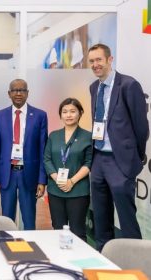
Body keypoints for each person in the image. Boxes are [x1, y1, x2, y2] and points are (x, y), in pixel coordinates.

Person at [87, 43, 149, 251]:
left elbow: (141, 127)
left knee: (127, 219)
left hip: (120, 162)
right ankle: (103, 258)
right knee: (101, 218)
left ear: (110, 60)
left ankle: (137, 260)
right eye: (92, 61)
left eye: (99, 60)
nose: (95, 65)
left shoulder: (128, 85)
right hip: (99, 161)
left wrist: (134, 159)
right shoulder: (94, 87)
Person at [0, 79, 48, 230]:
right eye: (15, 90)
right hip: (7, 174)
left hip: (28, 174)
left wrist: (42, 181)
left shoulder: (39, 115)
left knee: (29, 220)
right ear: (9, 93)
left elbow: (43, 149)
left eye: (22, 90)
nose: (18, 93)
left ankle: (29, 249)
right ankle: (6, 246)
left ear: (27, 93)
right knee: (6, 220)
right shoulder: (0, 116)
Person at [43, 98, 92, 241]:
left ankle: (79, 261)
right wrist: (56, 178)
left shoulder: (87, 136)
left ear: (80, 113)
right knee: (57, 228)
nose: (68, 115)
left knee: (78, 231)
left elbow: (89, 162)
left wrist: (71, 181)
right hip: (55, 189)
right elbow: (47, 159)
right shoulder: (54, 135)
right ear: (60, 115)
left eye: (72, 111)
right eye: (64, 112)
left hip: (78, 190)